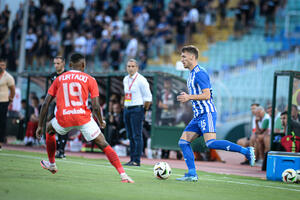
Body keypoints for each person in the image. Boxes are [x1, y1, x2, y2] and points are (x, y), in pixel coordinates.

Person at [36, 53, 134, 183]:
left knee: (49, 129)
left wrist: (40, 126)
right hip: (83, 118)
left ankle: (52, 164)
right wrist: (101, 121)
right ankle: (123, 175)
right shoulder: (90, 79)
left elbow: (46, 103)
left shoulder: (59, 79)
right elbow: (95, 105)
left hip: (64, 117)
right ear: (83, 65)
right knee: (104, 144)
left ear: (69, 65)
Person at [176, 45, 255, 181]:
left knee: (211, 143)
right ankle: (192, 174)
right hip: (198, 115)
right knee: (183, 142)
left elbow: (207, 95)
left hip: (207, 113)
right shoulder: (191, 74)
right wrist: (189, 97)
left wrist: (189, 97)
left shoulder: (200, 72)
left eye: (184, 56)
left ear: (192, 57)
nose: (181, 59)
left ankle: (246, 151)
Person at [123, 59, 152, 166]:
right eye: (129, 66)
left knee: (137, 135)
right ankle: (131, 158)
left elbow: (148, 98)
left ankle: (136, 160)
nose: (130, 68)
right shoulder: (125, 79)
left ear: (137, 68)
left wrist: (144, 110)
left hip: (137, 109)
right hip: (127, 108)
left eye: (133, 66)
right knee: (130, 135)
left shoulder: (141, 80)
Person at [49, 56, 67, 159]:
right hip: (57, 105)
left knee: (65, 128)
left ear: (63, 63)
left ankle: (62, 150)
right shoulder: (52, 76)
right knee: (57, 127)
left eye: (58, 63)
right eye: (55, 63)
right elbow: (52, 92)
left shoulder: (68, 74)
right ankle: (58, 149)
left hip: (67, 106)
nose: (56, 65)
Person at [0, 59, 15, 151]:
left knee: (2, 122)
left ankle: (0, 142)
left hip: (3, 101)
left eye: (3, 65)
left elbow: (12, 89)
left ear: (5, 66)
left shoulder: (8, 77)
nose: (1, 67)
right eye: (0, 64)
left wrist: (11, 98)